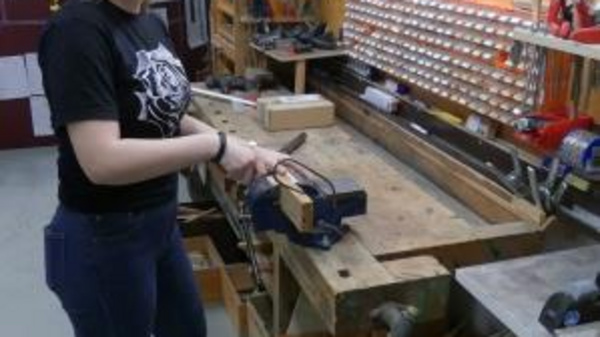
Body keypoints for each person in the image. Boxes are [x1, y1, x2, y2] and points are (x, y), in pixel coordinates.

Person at [39, 0, 286, 336]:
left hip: (161, 227)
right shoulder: (76, 30)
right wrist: (215, 147)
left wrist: (237, 146)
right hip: (104, 237)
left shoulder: (148, 23)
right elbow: (102, 161)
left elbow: (165, 113)